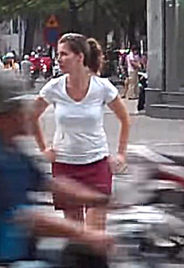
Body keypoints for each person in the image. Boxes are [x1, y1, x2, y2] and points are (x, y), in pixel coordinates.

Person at [0, 70, 113, 268]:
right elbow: (28, 218)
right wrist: (85, 233)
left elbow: (51, 184)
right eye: (20, 108)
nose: (28, 114)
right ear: (5, 117)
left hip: (28, 259)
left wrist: (100, 198)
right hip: (5, 267)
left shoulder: (14, 153)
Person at [33, 33, 130, 231]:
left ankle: (96, 262)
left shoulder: (102, 87)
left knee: (95, 230)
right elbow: (31, 116)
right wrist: (44, 148)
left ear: (80, 57)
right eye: (58, 55)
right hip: (65, 166)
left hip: (97, 163)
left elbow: (125, 119)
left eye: (64, 54)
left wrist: (120, 154)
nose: (59, 59)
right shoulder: (54, 87)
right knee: (75, 231)